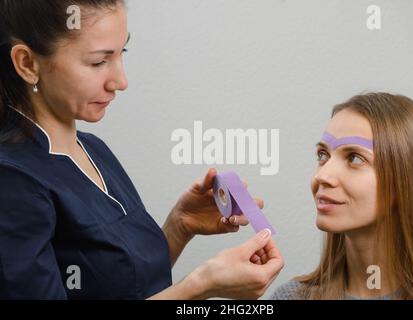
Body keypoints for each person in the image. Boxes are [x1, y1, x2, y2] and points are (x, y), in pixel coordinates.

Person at [0, 0, 283, 299]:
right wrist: (199, 286)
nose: (121, 82)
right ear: (28, 64)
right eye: (98, 62)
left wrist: (179, 226)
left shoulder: (94, 150)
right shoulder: (12, 180)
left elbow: (123, 286)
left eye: (122, 53)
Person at [271, 92, 413, 300]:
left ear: (408, 181)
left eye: (354, 158)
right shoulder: (291, 297)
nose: (322, 176)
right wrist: (221, 284)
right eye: (323, 155)